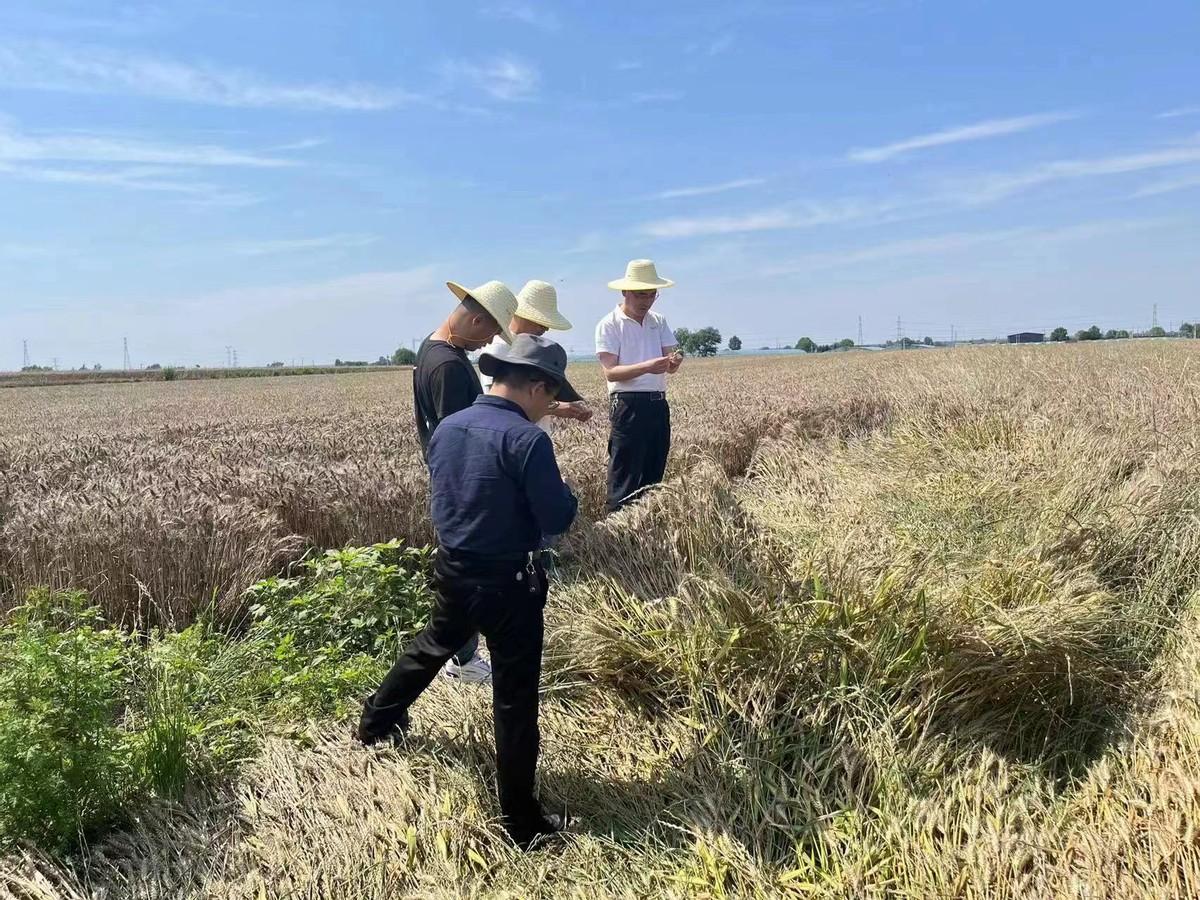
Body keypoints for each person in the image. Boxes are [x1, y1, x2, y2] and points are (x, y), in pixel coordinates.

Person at [358, 334, 581, 850]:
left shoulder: (449, 428)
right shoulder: (527, 440)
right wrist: (566, 499)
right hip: (509, 583)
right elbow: (557, 517)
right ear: (534, 385)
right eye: (550, 396)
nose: (550, 407)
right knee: (515, 695)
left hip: (454, 569)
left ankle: (374, 722)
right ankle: (522, 823)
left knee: (433, 646)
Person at [413, 279, 518, 684]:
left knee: (463, 574)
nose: (490, 339)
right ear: (476, 319)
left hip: (449, 483)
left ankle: (462, 657)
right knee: (471, 575)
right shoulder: (450, 367)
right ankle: (464, 661)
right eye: (491, 330)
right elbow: (462, 438)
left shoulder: (432, 348)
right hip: (462, 486)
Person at [594, 259, 682, 512]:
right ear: (625, 292)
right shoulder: (609, 324)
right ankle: (618, 533)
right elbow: (611, 372)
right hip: (627, 405)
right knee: (626, 475)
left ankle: (647, 524)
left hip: (657, 403)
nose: (646, 300)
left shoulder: (659, 321)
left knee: (654, 470)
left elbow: (670, 363)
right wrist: (647, 366)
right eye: (640, 295)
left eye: (652, 294)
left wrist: (673, 362)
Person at [479, 280, 593, 429]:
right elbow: (498, 403)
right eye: (540, 322)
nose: (544, 329)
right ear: (521, 315)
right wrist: (558, 408)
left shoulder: (523, 345)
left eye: (546, 324)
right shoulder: (498, 346)